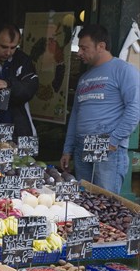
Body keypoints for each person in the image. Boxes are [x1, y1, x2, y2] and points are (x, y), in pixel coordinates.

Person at [60, 24, 140, 194]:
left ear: (101, 46)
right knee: (85, 201)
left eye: (84, 48)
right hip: (83, 147)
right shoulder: (84, 78)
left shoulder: (124, 70)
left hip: (108, 148)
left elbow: (134, 109)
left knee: (105, 201)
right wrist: (67, 149)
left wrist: (113, 141)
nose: (79, 52)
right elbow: (75, 115)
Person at [0, 23, 39, 138]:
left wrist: (8, 84)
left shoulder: (22, 60)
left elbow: (30, 88)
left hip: (18, 131)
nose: (8, 52)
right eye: (4, 47)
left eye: (13, 47)